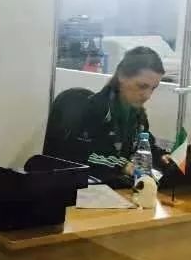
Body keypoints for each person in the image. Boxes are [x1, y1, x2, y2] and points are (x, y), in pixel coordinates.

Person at [45, 46, 171, 188]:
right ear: (122, 76)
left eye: (153, 88)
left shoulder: (137, 115)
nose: (147, 95)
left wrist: (161, 156)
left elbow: (144, 145)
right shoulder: (95, 109)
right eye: (142, 86)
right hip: (84, 189)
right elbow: (79, 156)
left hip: (117, 187)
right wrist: (123, 166)